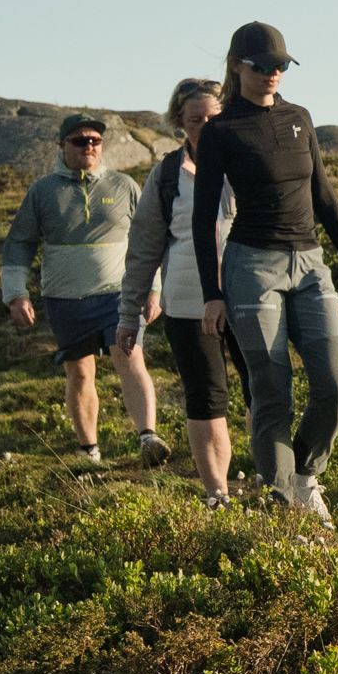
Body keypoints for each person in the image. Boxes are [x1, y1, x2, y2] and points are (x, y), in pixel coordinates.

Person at [190, 22, 338, 517]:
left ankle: (305, 475)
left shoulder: (299, 118)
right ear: (237, 66)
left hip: (309, 264)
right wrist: (212, 293)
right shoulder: (221, 130)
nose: (273, 74)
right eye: (263, 66)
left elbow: (324, 196)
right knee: (270, 389)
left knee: (336, 386)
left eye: (281, 65)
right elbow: (203, 216)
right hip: (252, 268)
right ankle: (284, 504)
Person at [0, 112, 167, 465]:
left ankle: (148, 436)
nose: (88, 146)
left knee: (129, 355)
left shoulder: (124, 186)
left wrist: (154, 289)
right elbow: (19, 243)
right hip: (65, 298)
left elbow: (148, 240)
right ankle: (89, 450)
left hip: (118, 294)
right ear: (62, 146)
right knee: (79, 371)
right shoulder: (42, 191)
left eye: (95, 141)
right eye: (79, 141)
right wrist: (16, 293)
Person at [121, 76, 239, 504]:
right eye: (195, 120)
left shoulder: (250, 161)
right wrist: (129, 312)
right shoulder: (167, 175)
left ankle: (277, 485)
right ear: (179, 123)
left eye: (213, 118)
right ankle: (218, 495)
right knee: (206, 399)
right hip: (189, 302)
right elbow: (144, 248)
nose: (206, 127)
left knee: (263, 394)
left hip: (252, 297)